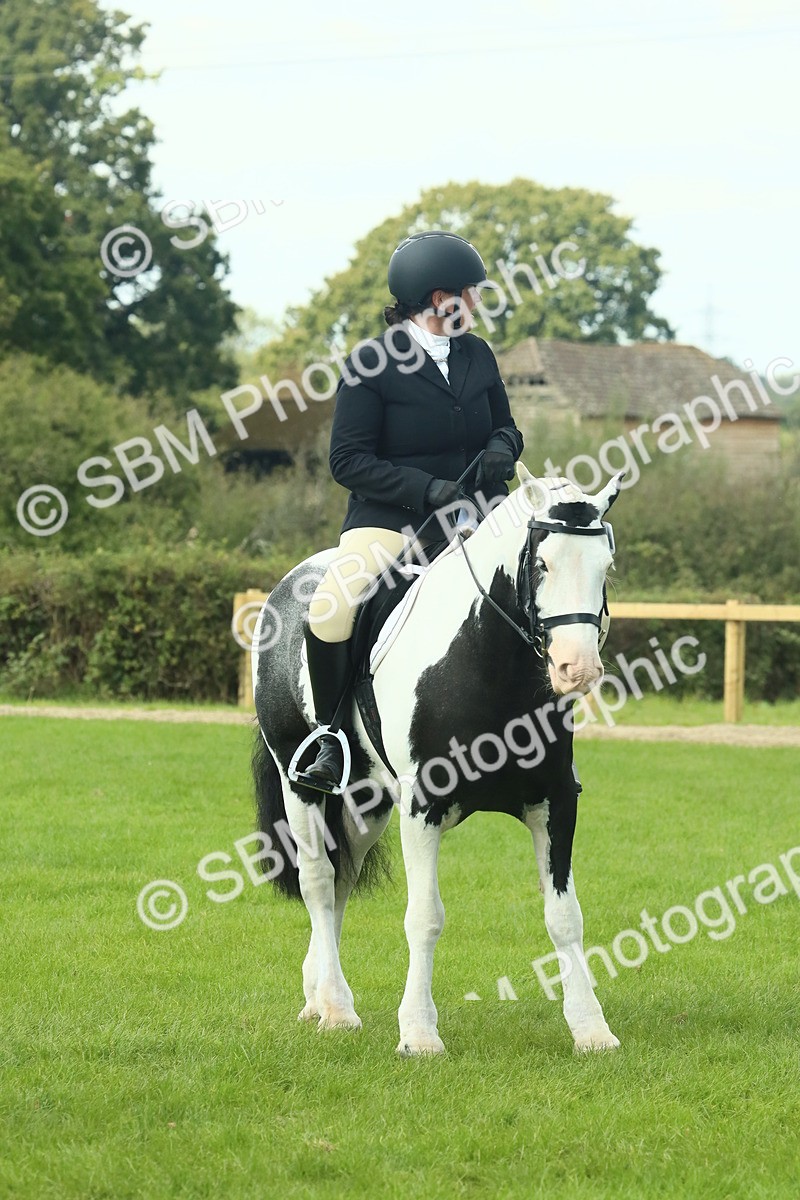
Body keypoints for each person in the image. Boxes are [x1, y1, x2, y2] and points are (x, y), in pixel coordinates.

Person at [296, 230, 524, 791]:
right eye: (470, 294)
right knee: (332, 604)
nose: (476, 304)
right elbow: (347, 460)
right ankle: (331, 738)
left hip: (479, 515)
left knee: (552, 569)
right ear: (439, 297)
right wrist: (427, 489)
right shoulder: (370, 363)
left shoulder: (477, 354)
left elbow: (507, 427)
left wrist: (503, 448)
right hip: (392, 519)